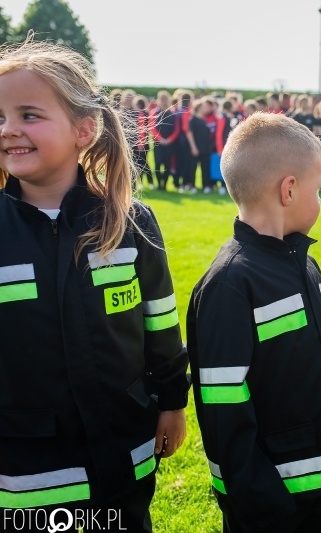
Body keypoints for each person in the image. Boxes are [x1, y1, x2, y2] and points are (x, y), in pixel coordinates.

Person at [0, 38, 189, 531]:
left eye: (28, 115)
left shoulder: (130, 222)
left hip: (121, 453)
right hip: (27, 466)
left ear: (84, 129)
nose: (9, 130)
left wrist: (171, 401)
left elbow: (160, 323)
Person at [187, 113, 321, 533]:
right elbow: (222, 409)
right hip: (269, 504)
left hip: (318, 489)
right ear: (290, 189)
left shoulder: (304, 264)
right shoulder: (230, 284)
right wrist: (258, 498)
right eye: (318, 189)